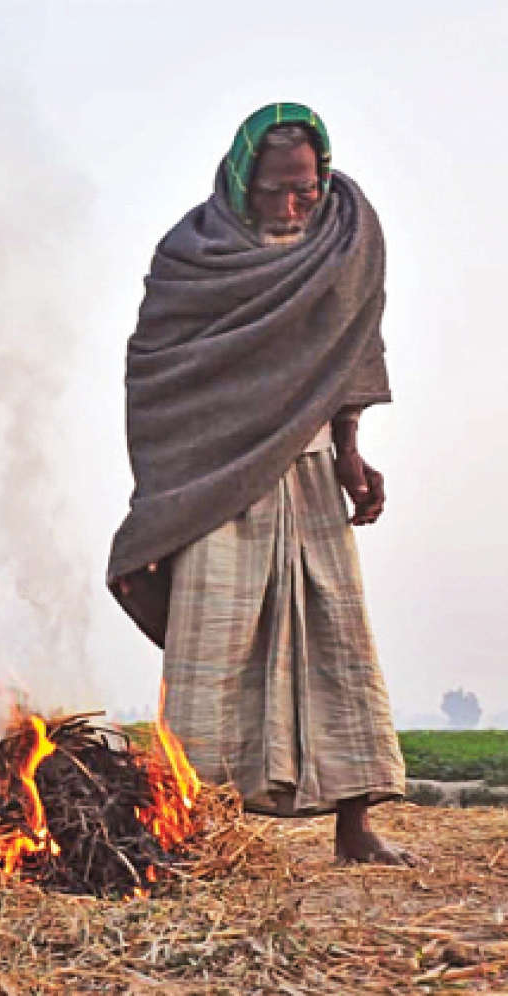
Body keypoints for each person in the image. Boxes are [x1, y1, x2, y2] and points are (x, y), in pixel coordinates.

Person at [106, 103, 411, 865]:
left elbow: (351, 344)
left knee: (333, 635)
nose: (290, 205)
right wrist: (163, 501)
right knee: (211, 649)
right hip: (215, 477)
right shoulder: (193, 253)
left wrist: (348, 450)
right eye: (273, 190)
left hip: (307, 470)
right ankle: (188, 830)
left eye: (304, 189)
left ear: (323, 176)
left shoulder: (345, 232)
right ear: (242, 179)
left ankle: (354, 828)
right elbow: (159, 373)